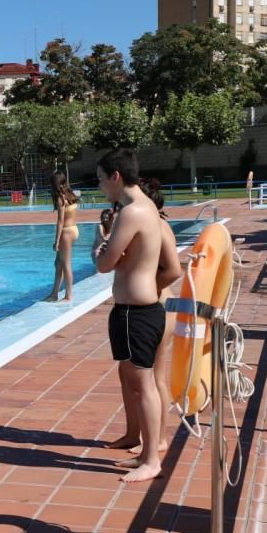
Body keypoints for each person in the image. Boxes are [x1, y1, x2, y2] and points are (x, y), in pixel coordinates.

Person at [92, 149, 175, 483]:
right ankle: (145, 452)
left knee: (143, 387)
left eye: (100, 180)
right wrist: (146, 284)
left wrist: (98, 243)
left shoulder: (131, 212)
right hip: (145, 310)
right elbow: (170, 269)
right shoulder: (151, 210)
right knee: (142, 384)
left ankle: (152, 460)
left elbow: (102, 264)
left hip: (134, 314)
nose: (100, 187)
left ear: (115, 177)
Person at [108, 179, 182, 460]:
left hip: (158, 305)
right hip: (150, 303)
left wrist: (153, 289)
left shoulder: (157, 225)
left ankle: (159, 439)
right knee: (127, 374)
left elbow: (174, 270)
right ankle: (132, 432)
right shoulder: (147, 223)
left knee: (154, 377)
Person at [44, 170, 79, 303]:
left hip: (66, 232)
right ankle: (54, 294)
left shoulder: (60, 198)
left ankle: (69, 296)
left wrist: (56, 241)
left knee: (66, 264)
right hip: (74, 229)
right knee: (58, 263)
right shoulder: (70, 194)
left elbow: (60, 221)